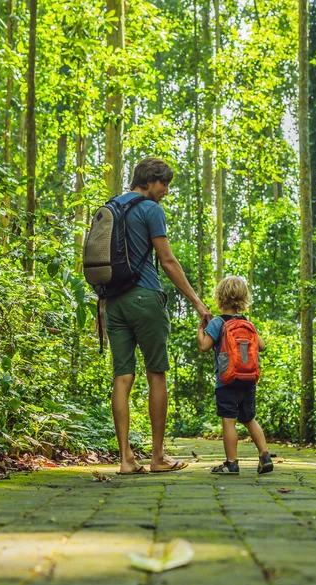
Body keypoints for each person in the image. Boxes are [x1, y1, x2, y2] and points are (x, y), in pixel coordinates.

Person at [104, 157, 211, 474]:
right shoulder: (151, 210)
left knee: (122, 377)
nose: (165, 191)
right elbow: (167, 260)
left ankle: (125, 460)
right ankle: (158, 457)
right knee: (156, 374)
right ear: (150, 181)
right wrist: (198, 303)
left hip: (113, 302)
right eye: (164, 184)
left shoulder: (112, 207)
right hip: (145, 298)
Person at [197, 275, 273, 475]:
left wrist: (200, 331)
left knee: (228, 420)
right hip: (248, 382)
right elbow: (262, 347)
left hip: (226, 382)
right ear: (243, 299)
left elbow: (204, 347)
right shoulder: (247, 323)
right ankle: (264, 455)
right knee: (249, 418)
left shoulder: (217, 323)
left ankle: (232, 462)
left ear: (220, 298)